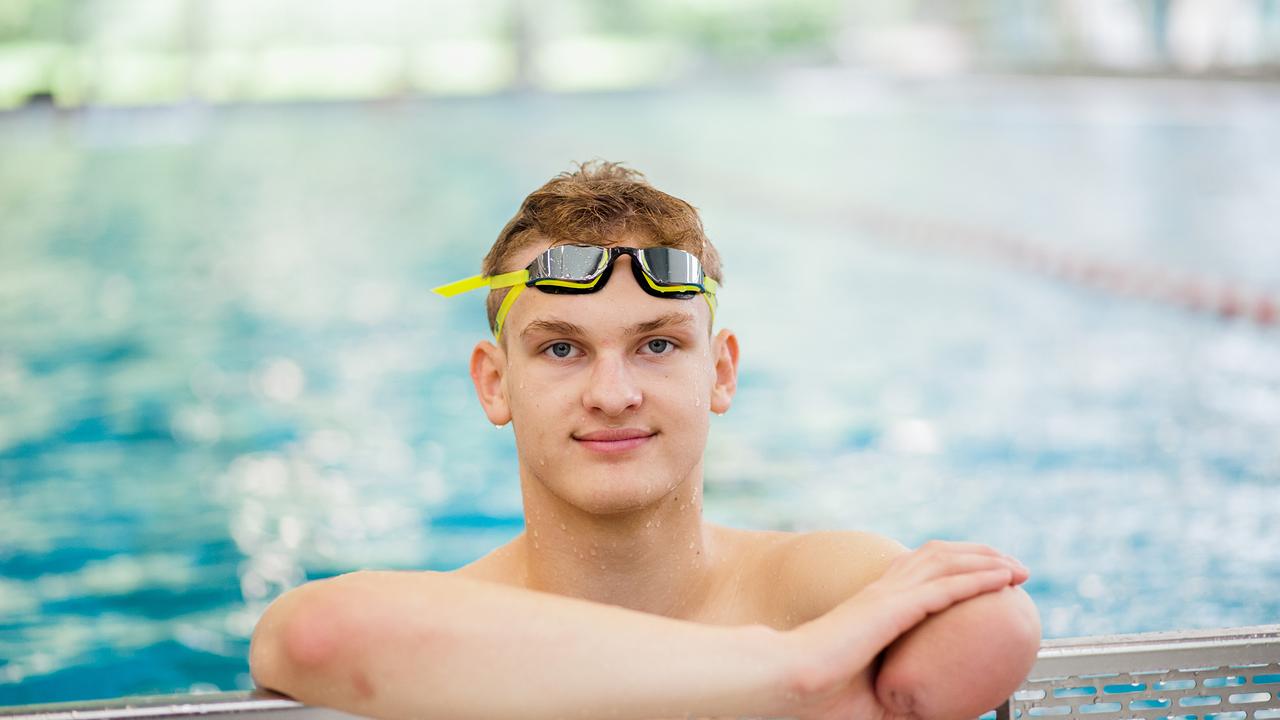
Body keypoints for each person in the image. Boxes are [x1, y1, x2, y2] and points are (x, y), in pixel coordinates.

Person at [248, 160, 1041, 720]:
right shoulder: (451, 617)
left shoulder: (797, 585)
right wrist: (791, 670)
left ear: (721, 372)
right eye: (562, 348)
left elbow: (993, 630)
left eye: (657, 344)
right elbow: (308, 635)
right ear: (495, 383)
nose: (614, 393)